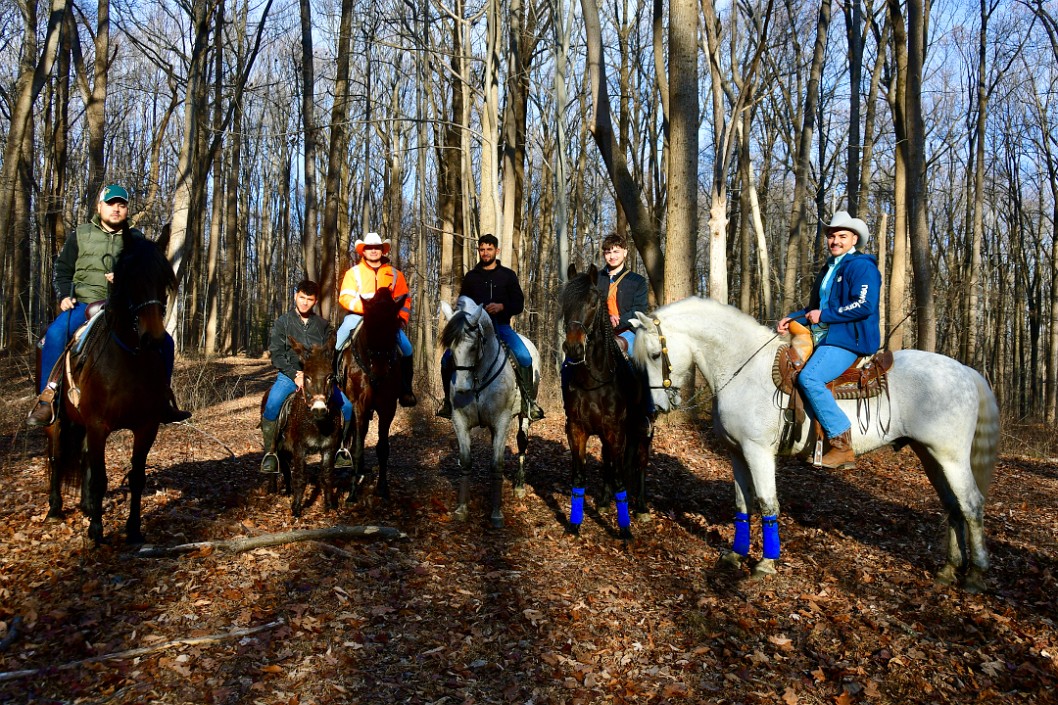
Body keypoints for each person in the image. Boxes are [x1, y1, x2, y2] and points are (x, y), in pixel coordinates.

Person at [26, 184, 190, 427]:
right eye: (111, 203)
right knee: (56, 333)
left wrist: (122, 278)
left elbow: (144, 274)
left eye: (122, 205)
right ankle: (47, 398)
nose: (117, 209)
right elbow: (62, 270)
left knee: (165, 341)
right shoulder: (80, 234)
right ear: (99, 206)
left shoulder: (136, 239)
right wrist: (63, 295)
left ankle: (162, 399)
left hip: (123, 306)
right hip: (84, 303)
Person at [776, 210, 881, 469]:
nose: (835, 241)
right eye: (832, 236)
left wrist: (825, 314)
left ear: (854, 239)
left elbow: (864, 305)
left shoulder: (861, 266)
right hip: (825, 335)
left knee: (809, 377)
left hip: (849, 338)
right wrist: (792, 317)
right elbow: (815, 307)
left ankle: (841, 443)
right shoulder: (829, 269)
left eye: (842, 236)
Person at [436, 234, 543, 421]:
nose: (485, 253)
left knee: (525, 357)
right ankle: (448, 403)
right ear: (479, 251)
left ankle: (528, 403)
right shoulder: (471, 277)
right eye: (482, 249)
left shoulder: (508, 276)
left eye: (489, 249)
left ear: (497, 251)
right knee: (446, 359)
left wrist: (502, 306)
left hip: (501, 326)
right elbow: (462, 303)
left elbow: (519, 304)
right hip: (474, 328)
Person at [261, 279, 353, 474]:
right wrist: (295, 374)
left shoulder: (323, 326)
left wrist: (325, 375)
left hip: (318, 379)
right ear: (295, 296)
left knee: (347, 406)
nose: (304, 302)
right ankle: (271, 453)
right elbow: (276, 353)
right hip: (289, 375)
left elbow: (331, 354)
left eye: (309, 299)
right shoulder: (283, 322)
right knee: (272, 404)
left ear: (315, 301)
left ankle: (342, 450)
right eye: (301, 297)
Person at [335, 232, 417, 407]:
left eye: (377, 248)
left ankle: (405, 390)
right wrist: (368, 309)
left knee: (407, 348)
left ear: (382, 250)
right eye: (369, 248)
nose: (373, 251)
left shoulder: (395, 275)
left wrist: (401, 318)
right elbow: (345, 297)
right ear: (363, 251)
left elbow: (405, 300)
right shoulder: (353, 273)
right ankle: (334, 381)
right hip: (358, 317)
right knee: (339, 340)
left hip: (387, 322)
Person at [595, 232, 649, 353]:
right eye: (608, 252)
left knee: (636, 361)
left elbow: (639, 311)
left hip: (628, 331)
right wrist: (605, 320)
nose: (612, 256)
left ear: (625, 252)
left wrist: (618, 321)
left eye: (616, 252)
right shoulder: (595, 279)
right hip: (599, 332)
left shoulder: (637, 281)